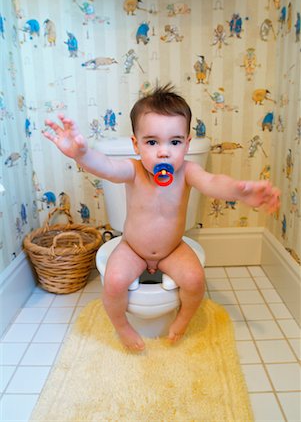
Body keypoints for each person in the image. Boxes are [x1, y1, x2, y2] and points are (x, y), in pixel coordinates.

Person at [43, 85, 280, 351]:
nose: (164, 151)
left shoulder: (188, 171)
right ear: (136, 144)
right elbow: (106, 167)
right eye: (152, 142)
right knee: (114, 281)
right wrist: (81, 154)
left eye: (175, 142)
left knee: (195, 280)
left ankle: (182, 319)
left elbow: (212, 183)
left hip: (171, 248)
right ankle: (122, 326)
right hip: (133, 248)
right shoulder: (132, 170)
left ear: (187, 144)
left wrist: (239, 191)